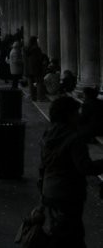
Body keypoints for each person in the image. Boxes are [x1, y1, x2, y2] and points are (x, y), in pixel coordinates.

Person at [39, 96, 103, 248]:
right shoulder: (74, 138)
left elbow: (43, 165)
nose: (79, 116)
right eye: (76, 113)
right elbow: (85, 167)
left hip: (49, 190)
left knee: (61, 231)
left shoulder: (49, 134)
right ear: (68, 115)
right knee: (71, 235)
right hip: (68, 193)